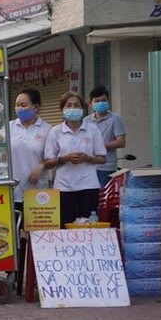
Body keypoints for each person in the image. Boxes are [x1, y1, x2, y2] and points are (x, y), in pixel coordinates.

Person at [43, 91, 107, 227]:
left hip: (88, 185)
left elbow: (102, 158)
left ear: (83, 108)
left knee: (89, 225)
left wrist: (88, 158)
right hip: (64, 187)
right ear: (62, 109)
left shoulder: (92, 129)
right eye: (69, 105)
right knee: (66, 226)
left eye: (77, 105)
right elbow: (48, 163)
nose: (73, 108)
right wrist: (64, 159)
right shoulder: (55, 131)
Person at [9, 88, 52, 284]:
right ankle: (14, 276)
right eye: (17, 104)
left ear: (36, 108)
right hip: (13, 191)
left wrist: (42, 165)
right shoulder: (9, 127)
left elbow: (54, 158)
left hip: (37, 194)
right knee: (13, 237)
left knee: (38, 237)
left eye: (23, 104)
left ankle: (38, 277)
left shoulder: (48, 130)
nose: (19, 108)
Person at [84, 86, 126, 188]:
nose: (100, 103)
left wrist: (99, 146)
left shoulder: (115, 119)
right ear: (90, 103)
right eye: (97, 101)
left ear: (108, 101)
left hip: (107, 167)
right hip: (88, 166)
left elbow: (121, 142)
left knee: (104, 195)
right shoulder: (86, 121)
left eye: (103, 100)